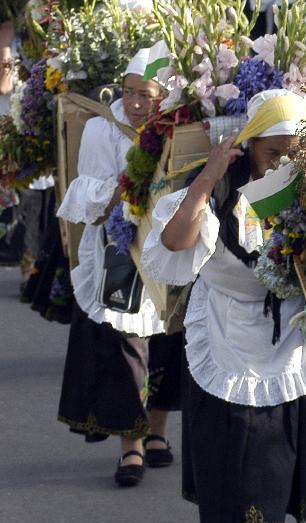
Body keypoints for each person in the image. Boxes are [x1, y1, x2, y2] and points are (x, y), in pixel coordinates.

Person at [141, 89, 306, 523]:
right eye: (272, 152)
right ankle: (247, 519)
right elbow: (175, 240)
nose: (283, 162)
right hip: (227, 317)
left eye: (293, 151)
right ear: (248, 146)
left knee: (276, 427)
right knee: (235, 430)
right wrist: (208, 175)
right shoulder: (221, 186)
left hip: (286, 324)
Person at [55, 48, 182, 486]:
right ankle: (130, 444)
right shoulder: (102, 129)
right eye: (128, 92)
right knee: (126, 344)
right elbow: (90, 204)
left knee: (169, 342)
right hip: (119, 252)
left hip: (168, 249)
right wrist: (131, 191)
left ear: (163, 95)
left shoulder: (181, 128)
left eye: (145, 95)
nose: (134, 103)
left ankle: (157, 433)